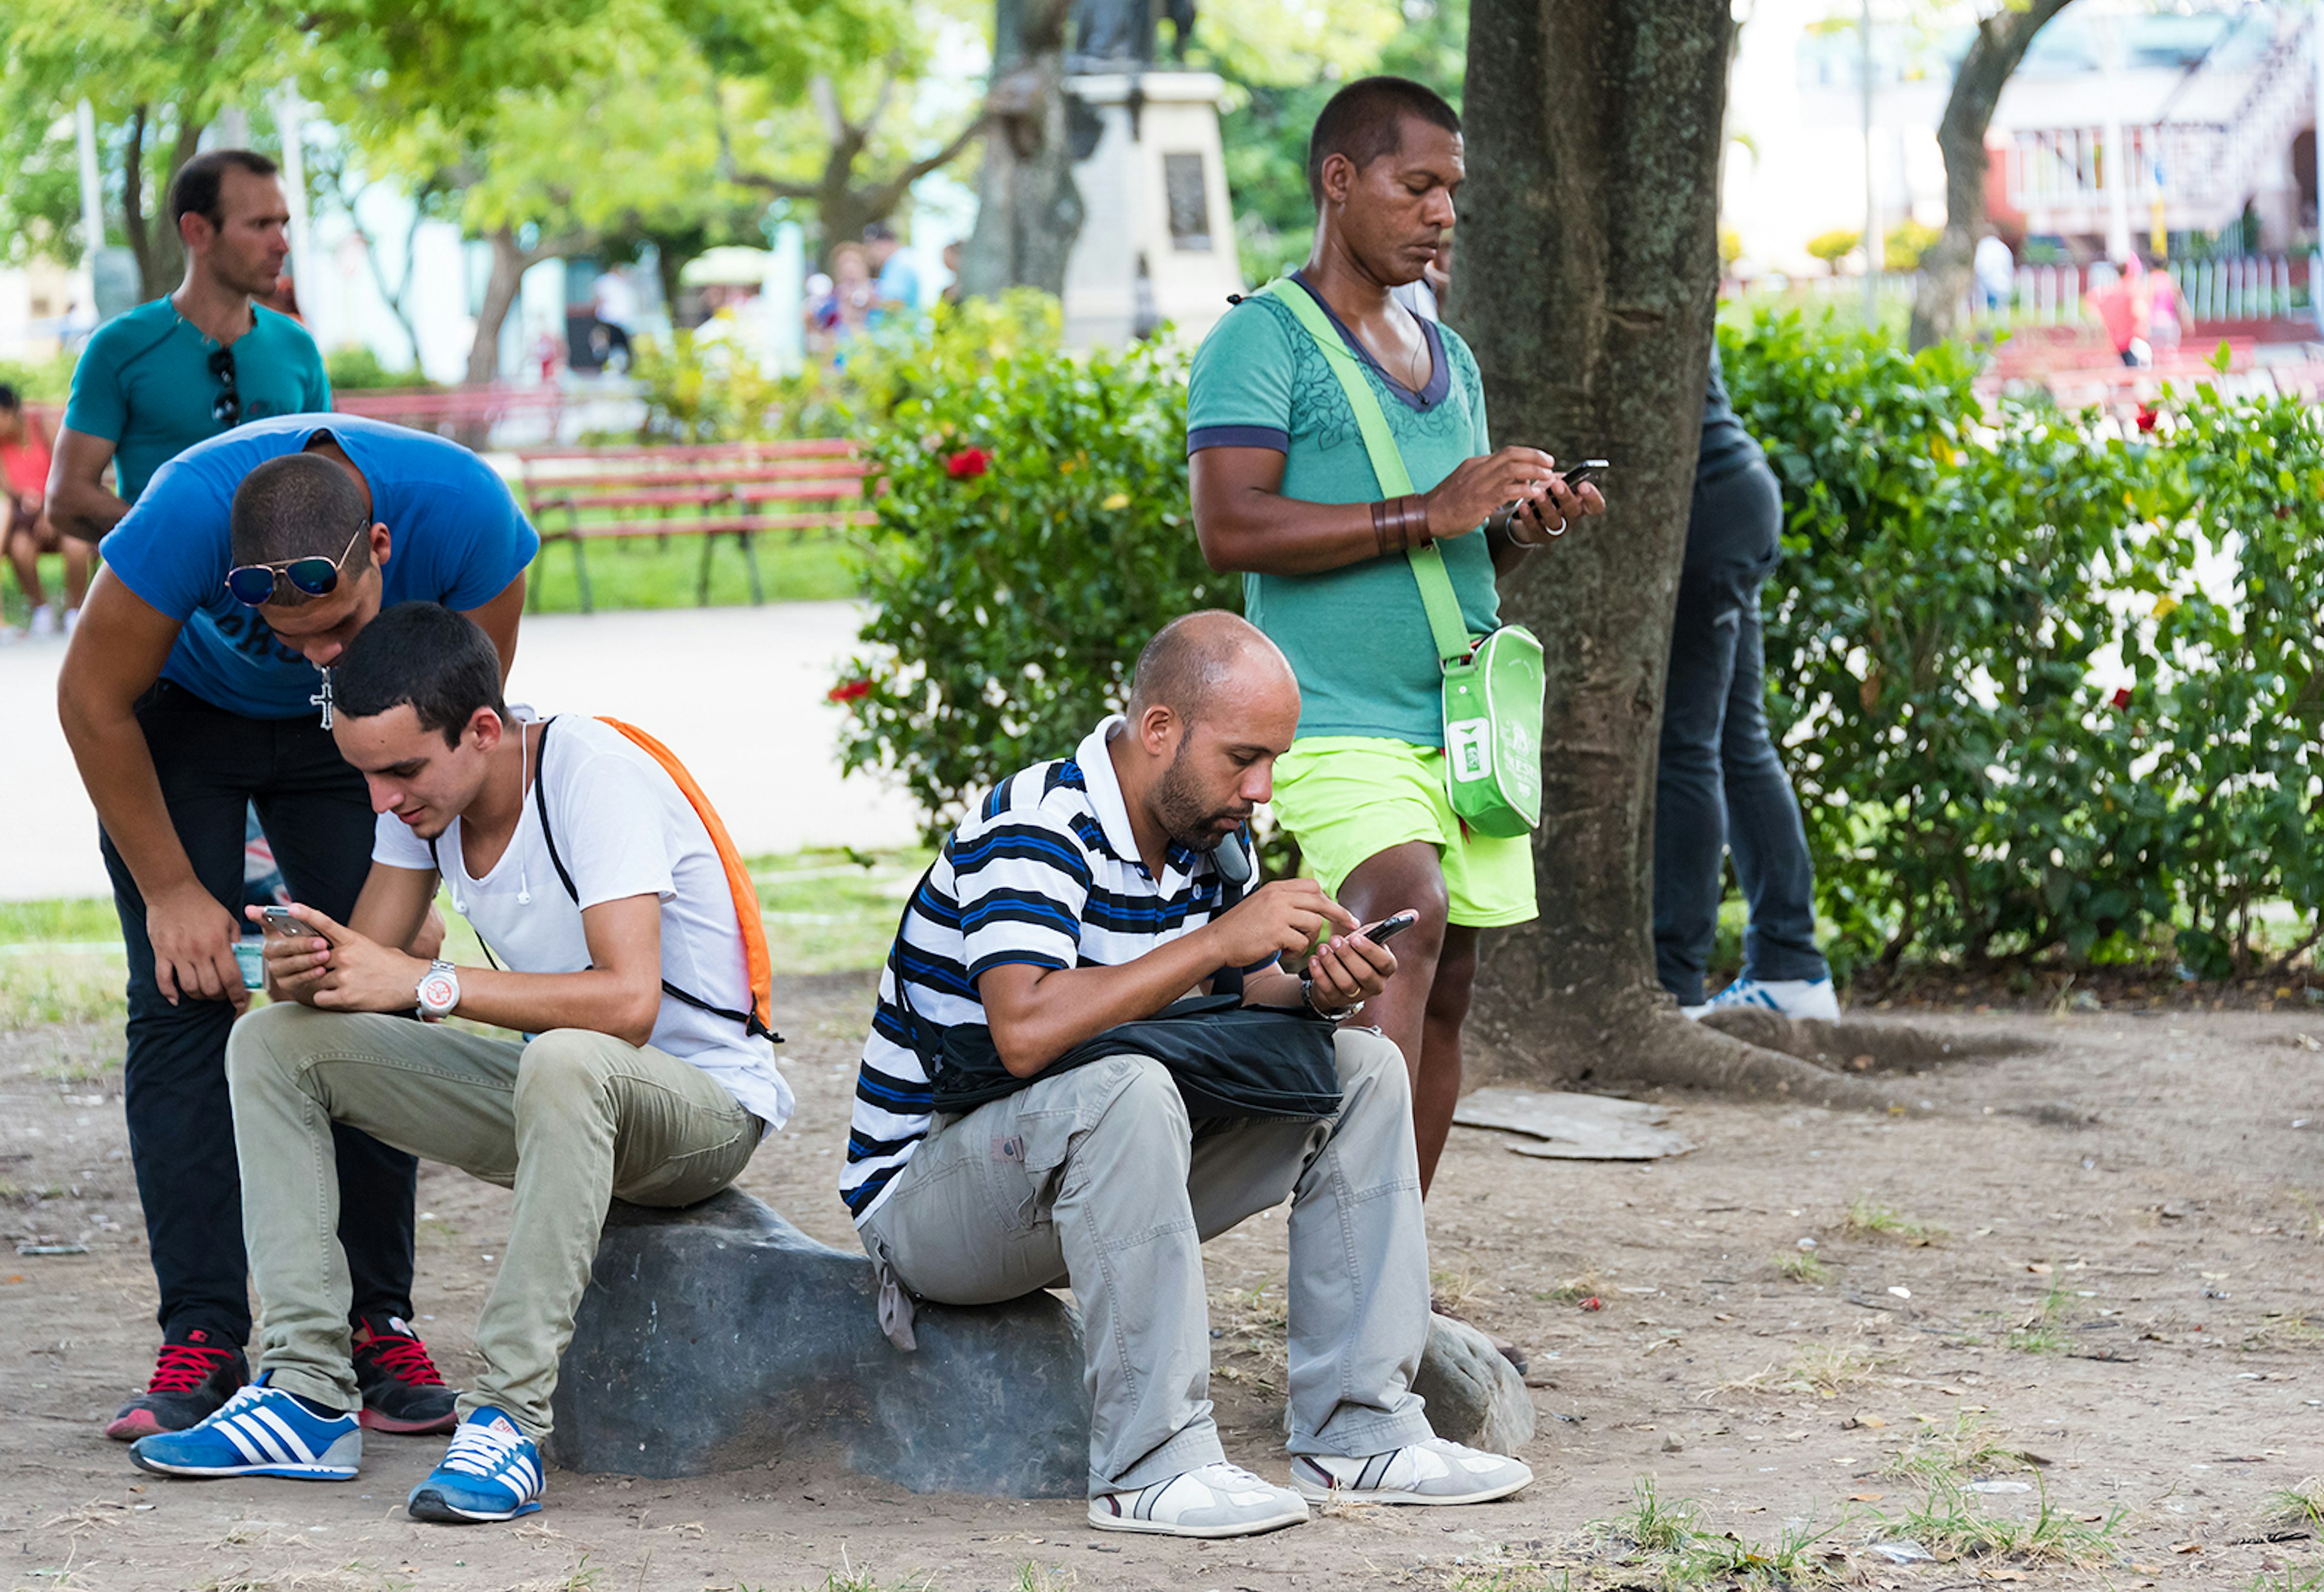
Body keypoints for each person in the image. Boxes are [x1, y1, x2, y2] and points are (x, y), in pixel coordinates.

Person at [843, 612, 1533, 1540]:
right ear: (1160, 729)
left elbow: (1244, 988)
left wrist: (1320, 988)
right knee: (1124, 1086)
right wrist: (1217, 939)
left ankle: (1360, 1432)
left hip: (1086, 1173)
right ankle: (1150, 1464)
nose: (1261, 789)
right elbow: (1024, 1029)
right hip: (934, 1208)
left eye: (1274, 762)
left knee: (1362, 1063)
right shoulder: (1037, 827)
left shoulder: (1211, 836)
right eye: (1243, 757)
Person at [131, 602, 791, 1523]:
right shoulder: (422, 802)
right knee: (274, 1043)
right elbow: (369, 973)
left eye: (402, 769)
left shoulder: (592, 772)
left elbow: (628, 1004)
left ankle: (510, 1420)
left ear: (483, 729)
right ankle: (307, 1394)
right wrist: (308, 974)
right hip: (558, 1100)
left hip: (699, 1112)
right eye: (364, 773)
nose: (383, 799)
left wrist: (426, 983)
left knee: (569, 1057)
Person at [56, 415, 537, 1441]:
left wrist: (418, 904)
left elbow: (461, 743)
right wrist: (172, 892)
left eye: (340, 625)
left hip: (363, 740)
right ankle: (203, 1334)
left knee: (366, 993)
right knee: (183, 990)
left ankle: (378, 1324)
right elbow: (89, 699)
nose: (318, 655)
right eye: (294, 637)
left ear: (384, 551)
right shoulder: (180, 517)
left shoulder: (466, 518)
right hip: (183, 718)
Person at [1186, 77, 1602, 1195]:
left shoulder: (1449, 357)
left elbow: (1455, 558)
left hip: (1460, 729)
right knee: (1393, 944)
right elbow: (1230, 525)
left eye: (1452, 191)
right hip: (1336, 723)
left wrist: (1515, 528)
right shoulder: (1262, 340)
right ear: (1338, 181)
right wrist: (1431, 510)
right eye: (1416, 185)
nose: (1443, 213)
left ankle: (1396, 1290)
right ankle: (1354, 1287)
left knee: (1446, 988)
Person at [1655, 350, 1839, 1023]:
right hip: (1739, 492)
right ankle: (1791, 967)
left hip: (1706, 505)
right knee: (1737, 741)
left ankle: (1672, 987)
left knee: (1687, 749)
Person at [45, 149, 331, 544]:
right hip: (160, 604)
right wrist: (184, 549)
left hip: (283, 602)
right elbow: (67, 500)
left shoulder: (298, 347)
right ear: (197, 231)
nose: (282, 244)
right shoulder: (118, 347)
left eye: (283, 224)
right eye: (261, 224)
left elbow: (329, 483)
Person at [1, 385, 89, 636]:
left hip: (63, 508)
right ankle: (40, 608)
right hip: (26, 518)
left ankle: (75, 610)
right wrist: (30, 505)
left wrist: (49, 511)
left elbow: (67, 472)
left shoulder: (43, 427)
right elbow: (11, 491)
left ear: (9, 411)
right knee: (19, 548)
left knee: (76, 545)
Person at [863, 222, 924, 323]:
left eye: (872, 247)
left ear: (885, 244)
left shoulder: (897, 264)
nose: (870, 254)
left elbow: (896, 304)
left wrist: (869, 302)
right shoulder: (901, 260)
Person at [1972, 231, 2015, 316]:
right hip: (2004, 285)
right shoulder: (2003, 248)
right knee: (2001, 315)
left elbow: (1980, 267)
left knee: (1986, 315)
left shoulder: (1983, 246)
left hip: (1987, 286)